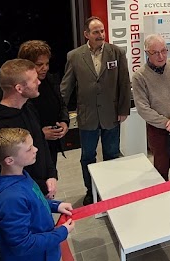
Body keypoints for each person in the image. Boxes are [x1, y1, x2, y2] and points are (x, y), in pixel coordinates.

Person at [61, 17, 132, 206]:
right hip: (87, 116)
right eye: (96, 32)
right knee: (87, 156)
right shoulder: (75, 56)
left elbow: (124, 83)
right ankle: (90, 191)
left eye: (102, 31)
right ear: (86, 34)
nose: (101, 35)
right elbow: (66, 87)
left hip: (112, 114)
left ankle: (111, 190)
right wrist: (59, 112)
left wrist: (124, 109)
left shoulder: (116, 52)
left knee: (112, 154)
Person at [0, 127, 74, 261]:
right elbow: (22, 245)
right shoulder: (9, 199)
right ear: (9, 160)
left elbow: (33, 201)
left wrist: (55, 206)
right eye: (29, 149)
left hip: (45, 251)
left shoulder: (21, 174)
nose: (35, 149)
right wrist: (61, 232)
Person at [132, 34, 170, 213]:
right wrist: (168, 123)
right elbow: (143, 108)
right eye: (155, 53)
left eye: (164, 51)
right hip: (158, 131)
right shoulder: (139, 76)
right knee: (161, 168)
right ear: (147, 53)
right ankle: (163, 205)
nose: (161, 56)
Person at [0, 59, 59, 198]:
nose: (39, 82)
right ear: (19, 88)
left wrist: (51, 174)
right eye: (34, 80)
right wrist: (38, 188)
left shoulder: (28, 108)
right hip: (21, 196)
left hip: (41, 189)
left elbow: (41, 143)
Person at [0, 40, 69, 167]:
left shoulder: (50, 80)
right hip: (24, 152)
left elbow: (61, 104)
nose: (45, 68)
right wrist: (40, 135)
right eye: (39, 65)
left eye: (47, 64)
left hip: (50, 146)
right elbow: (7, 130)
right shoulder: (10, 91)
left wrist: (64, 121)